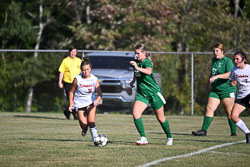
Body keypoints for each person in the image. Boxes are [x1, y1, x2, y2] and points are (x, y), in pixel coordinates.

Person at [130, 43, 173, 145]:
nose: (136, 55)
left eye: (138, 53)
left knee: (161, 118)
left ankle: (169, 137)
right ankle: (143, 137)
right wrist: (132, 81)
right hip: (142, 94)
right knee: (136, 114)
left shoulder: (147, 62)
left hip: (154, 93)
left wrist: (137, 67)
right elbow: (136, 74)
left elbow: (148, 72)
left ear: (144, 53)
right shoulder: (137, 62)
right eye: (135, 53)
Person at [192, 43, 237, 136]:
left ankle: (233, 132)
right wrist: (209, 83)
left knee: (229, 112)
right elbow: (212, 74)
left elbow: (230, 74)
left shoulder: (227, 61)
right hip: (215, 90)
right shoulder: (214, 60)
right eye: (214, 51)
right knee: (209, 108)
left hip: (227, 90)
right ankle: (203, 131)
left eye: (217, 51)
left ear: (222, 51)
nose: (215, 53)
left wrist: (217, 77)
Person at [68, 57, 102, 142]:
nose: (85, 72)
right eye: (83, 70)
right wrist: (71, 104)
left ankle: (95, 139)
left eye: (87, 69)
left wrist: (97, 101)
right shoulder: (77, 79)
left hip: (90, 103)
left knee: (91, 122)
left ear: (90, 69)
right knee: (84, 124)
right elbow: (71, 92)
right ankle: (84, 129)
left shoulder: (94, 79)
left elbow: (100, 93)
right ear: (81, 70)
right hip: (79, 103)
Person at [229, 51, 250, 143]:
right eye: (234, 59)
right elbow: (231, 81)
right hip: (241, 97)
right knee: (233, 116)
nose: (235, 61)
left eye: (237, 59)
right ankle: (248, 133)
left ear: (243, 59)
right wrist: (232, 83)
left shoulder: (249, 68)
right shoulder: (234, 70)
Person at [58, 46, 82, 120]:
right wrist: (60, 82)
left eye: (74, 52)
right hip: (68, 82)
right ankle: (75, 115)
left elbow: (82, 72)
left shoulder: (79, 60)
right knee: (71, 98)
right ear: (69, 52)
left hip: (77, 82)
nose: (73, 53)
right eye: (72, 52)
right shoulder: (65, 61)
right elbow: (61, 72)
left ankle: (67, 112)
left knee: (76, 98)